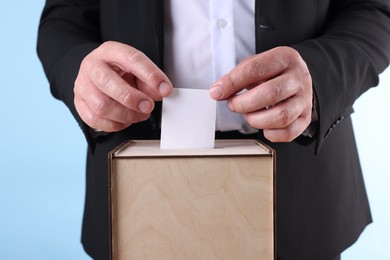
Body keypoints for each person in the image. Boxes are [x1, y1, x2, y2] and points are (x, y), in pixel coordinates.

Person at [37, 0, 390, 259]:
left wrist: (319, 76)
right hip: (138, 195)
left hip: (302, 191)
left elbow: (374, 10)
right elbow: (63, 20)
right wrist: (82, 73)